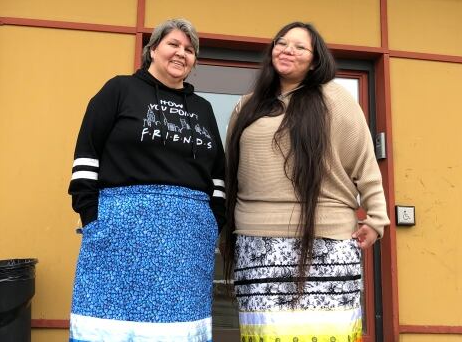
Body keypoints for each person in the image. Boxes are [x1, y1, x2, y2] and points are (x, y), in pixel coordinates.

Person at [223, 22, 390, 341]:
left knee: (329, 333)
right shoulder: (247, 105)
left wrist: (377, 218)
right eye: (281, 43)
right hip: (258, 243)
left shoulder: (335, 99)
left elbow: (364, 163)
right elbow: (233, 171)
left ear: (315, 60)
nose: (287, 50)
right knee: (266, 334)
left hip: (326, 239)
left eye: (300, 46)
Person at [67, 18, 226, 342]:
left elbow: (218, 174)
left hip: (188, 238)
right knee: (110, 323)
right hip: (119, 230)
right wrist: (91, 215)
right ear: (152, 49)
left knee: (180, 328)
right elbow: (86, 154)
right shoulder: (118, 90)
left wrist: (215, 220)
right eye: (173, 44)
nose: (182, 53)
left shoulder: (203, 109)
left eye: (189, 49)